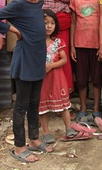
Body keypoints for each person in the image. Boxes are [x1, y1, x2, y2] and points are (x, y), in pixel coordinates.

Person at [0, 0, 52, 163]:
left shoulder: (38, 2)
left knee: (34, 102)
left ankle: (33, 140)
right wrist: (14, 30)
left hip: (38, 57)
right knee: (21, 105)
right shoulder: (18, 4)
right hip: (25, 60)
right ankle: (19, 147)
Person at [41, 0, 75, 92]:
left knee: (62, 58)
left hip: (63, 25)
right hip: (44, 26)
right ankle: (47, 95)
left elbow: (73, 1)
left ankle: (64, 94)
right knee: (46, 58)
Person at [70, 0, 102, 123]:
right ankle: (83, 108)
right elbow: (74, 23)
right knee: (81, 80)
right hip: (80, 45)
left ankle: (96, 108)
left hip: (97, 45)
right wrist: (72, 46)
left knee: (97, 79)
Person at [39, 10, 72, 141]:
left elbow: (64, 60)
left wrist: (52, 66)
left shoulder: (58, 42)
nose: (49, 26)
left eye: (52, 23)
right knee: (42, 106)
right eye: (45, 23)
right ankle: (46, 133)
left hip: (57, 78)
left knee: (63, 105)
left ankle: (69, 128)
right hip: (42, 79)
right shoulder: (36, 42)